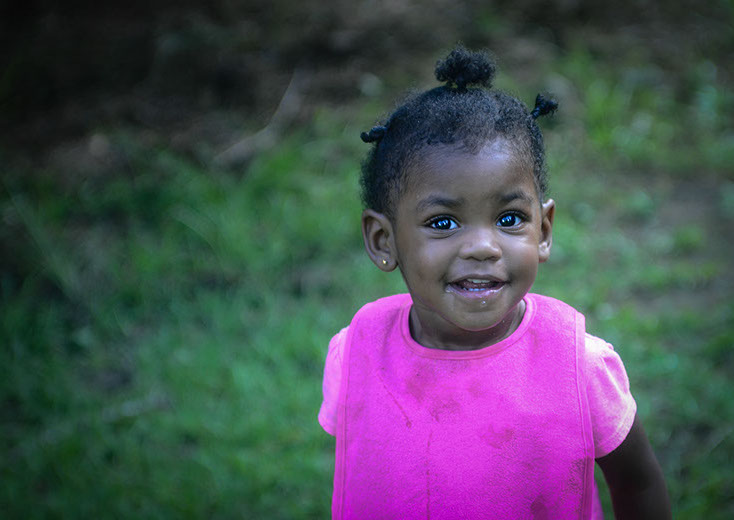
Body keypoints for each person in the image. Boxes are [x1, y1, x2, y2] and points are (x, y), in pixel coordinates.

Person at [318, 46, 670, 519]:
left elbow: (638, 484)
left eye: (509, 218)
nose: (483, 247)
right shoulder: (356, 356)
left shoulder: (580, 367)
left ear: (543, 229)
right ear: (384, 239)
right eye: (443, 223)